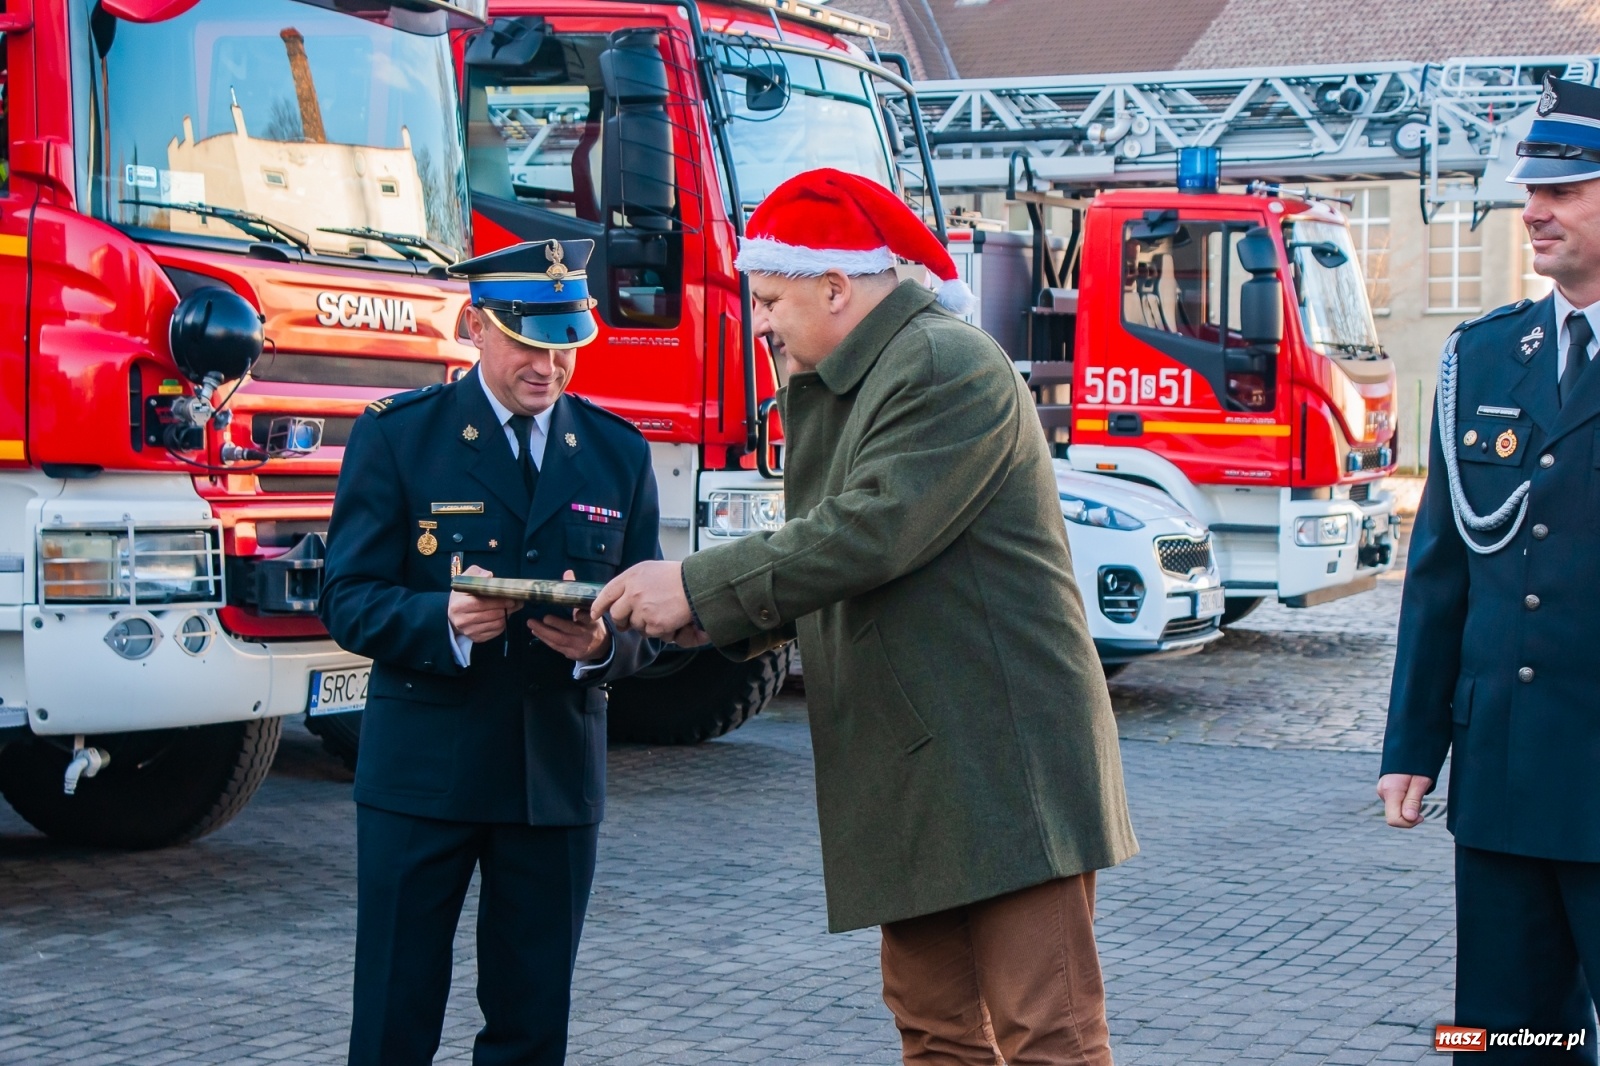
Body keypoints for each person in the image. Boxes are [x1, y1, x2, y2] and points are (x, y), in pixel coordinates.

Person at [594, 168, 1137, 1065]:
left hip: (999, 761)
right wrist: (719, 619)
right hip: (923, 761)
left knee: (1049, 1037)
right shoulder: (871, 372)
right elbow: (842, 553)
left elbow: (868, 532)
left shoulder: (942, 362)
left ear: (837, 286)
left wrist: (699, 587)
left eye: (770, 299)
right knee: (936, 1034)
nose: (759, 322)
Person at [320, 238, 661, 1066]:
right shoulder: (401, 437)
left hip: (552, 777)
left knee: (532, 1025)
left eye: (566, 345)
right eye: (527, 343)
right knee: (394, 1018)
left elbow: (650, 618)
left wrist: (601, 644)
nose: (549, 367)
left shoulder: (617, 451)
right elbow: (347, 597)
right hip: (423, 774)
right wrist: (441, 618)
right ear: (476, 326)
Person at [1381, 75, 1600, 1063]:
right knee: (1508, 1038)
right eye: (1531, 190)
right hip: (1504, 783)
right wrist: (1410, 744)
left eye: (1565, 189)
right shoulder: (1483, 356)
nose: (1535, 210)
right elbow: (1441, 572)